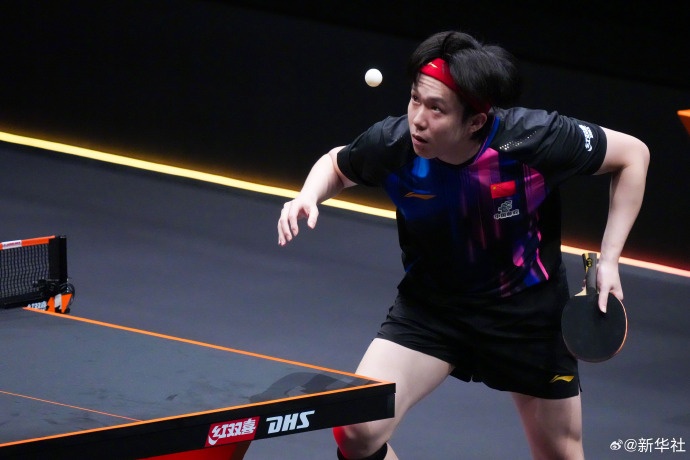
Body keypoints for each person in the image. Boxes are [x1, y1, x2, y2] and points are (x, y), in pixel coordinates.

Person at [276, 30, 649, 460]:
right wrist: (308, 195)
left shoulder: (534, 139)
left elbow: (633, 155)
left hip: (526, 315)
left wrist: (609, 260)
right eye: (415, 99)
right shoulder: (394, 143)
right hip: (434, 309)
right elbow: (337, 164)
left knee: (560, 453)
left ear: (475, 121)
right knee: (356, 431)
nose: (418, 119)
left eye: (436, 108)